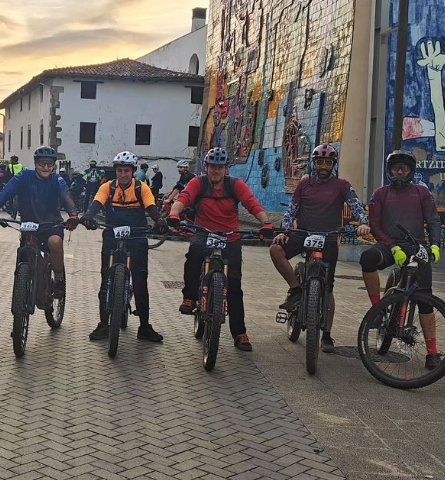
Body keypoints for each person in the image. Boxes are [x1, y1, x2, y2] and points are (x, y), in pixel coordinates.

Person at [167, 147, 272, 352]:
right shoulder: (198, 182)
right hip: (203, 232)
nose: (216, 170)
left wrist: (266, 223)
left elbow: (252, 204)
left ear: (226, 168)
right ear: (206, 167)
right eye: (212, 166)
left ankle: (239, 333)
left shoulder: (235, 185)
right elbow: (183, 198)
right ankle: (190, 297)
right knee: (193, 255)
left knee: (234, 285)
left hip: (230, 236)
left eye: (220, 167)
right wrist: (173, 214)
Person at [269, 144, 370, 353]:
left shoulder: (342, 185)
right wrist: (285, 231)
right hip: (303, 233)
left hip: (329, 237)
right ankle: (296, 290)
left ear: (334, 164)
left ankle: (327, 335)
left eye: (328, 162)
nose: (323, 166)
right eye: (320, 162)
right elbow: (291, 211)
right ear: (314, 163)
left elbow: (355, 205)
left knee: (328, 287)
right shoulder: (304, 184)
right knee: (276, 250)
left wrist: (363, 222)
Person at [359, 150, 442, 370]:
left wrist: (435, 244)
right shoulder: (380, 193)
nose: (400, 172)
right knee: (368, 258)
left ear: (411, 171)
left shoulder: (421, 192)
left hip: (416, 246)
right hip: (389, 245)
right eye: (396, 168)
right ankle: (378, 310)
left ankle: (432, 353)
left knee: (425, 300)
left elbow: (433, 220)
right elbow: (375, 225)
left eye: (404, 168)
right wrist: (392, 246)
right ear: (389, 170)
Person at [80, 151, 168, 343]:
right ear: (116, 171)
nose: (123, 174)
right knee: (105, 279)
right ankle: (103, 324)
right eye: (119, 170)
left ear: (133, 171)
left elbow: (151, 207)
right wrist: (88, 215)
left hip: (136, 236)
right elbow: (96, 203)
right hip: (112, 234)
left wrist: (159, 220)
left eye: (126, 171)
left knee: (140, 281)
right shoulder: (107, 187)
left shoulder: (141, 188)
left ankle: (144, 327)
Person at [0, 146, 79, 300]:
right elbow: (6, 192)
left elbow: (66, 197)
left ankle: (58, 278)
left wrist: (73, 215)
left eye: (49, 164)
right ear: (35, 164)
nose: (46, 167)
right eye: (42, 163)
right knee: (26, 254)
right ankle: (24, 290)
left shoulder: (57, 180)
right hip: (29, 226)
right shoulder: (24, 176)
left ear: (54, 166)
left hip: (51, 225)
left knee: (55, 243)